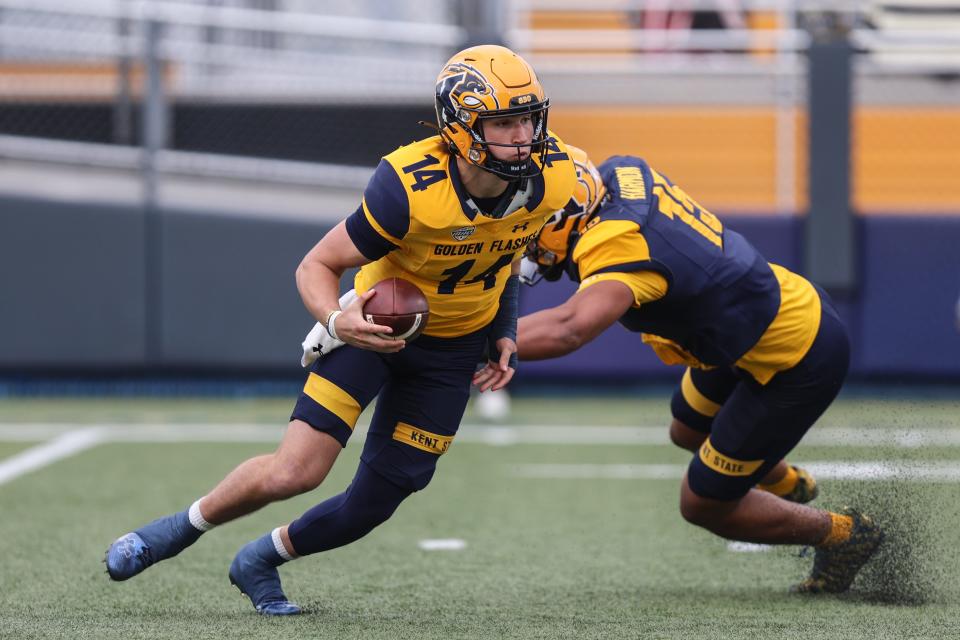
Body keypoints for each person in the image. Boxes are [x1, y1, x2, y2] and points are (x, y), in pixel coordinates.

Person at [105, 44, 577, 615]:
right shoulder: (410, 186)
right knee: (296, 471)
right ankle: (178, 529)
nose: (524, 135)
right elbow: (316, 265)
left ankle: (260, 558)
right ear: (460, 124)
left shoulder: (554, 177)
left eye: (528, 118)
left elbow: (505, 252)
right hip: (375, 329)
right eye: (505, 121)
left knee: (373, 503)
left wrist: (503, 325)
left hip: (452, 352)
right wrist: (337, 320)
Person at [507, 148, 883, 594]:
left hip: (795, 357)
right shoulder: (618, 174)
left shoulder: (615, 244)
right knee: (686, 430)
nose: (522, 232)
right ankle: (785, 481)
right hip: (754, 317)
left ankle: (845, 535)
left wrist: (469, 345)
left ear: (565, 214)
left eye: (530, 221)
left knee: (702, 503)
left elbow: (569, 328)